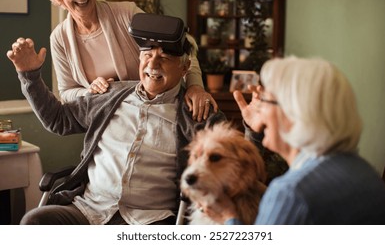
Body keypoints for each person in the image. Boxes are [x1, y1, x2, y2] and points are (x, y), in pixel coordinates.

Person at [6, 14, 226, 225]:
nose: (153, 65)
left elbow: (238, 161)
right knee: (34, 221)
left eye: (165, 58)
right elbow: (59, 120)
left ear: (185, 67)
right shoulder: (110, 95)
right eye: (148, 55)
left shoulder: (198, 114)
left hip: (150, 219)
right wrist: (30, 75)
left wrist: (253, 129)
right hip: (90, 209)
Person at [199, 56, 385, 224]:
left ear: (292, 114)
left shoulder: (291, 193)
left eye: (265, 100)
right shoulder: (362, 170)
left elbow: (296, 200)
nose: (259, 108)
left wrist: (229, 217)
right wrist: (259, 128)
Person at [42, 0, 217, 121]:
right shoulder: (59, 38)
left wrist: (195, 86)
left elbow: (182, 47)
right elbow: (66, 92)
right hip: (111, 124)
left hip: (159, 113)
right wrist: (89, 91)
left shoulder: (126, 14)